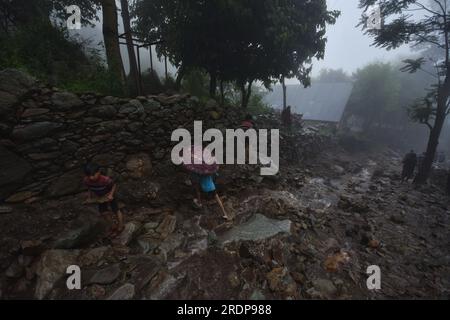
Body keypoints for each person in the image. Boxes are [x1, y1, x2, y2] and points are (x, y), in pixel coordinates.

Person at [83, 163, 124, 236]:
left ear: (98, 172)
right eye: (89, 176)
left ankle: (121, 226)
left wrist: (111, 195)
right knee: (103, 212)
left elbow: (114, 185)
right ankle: (113, 226)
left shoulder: (105, 180)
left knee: (116, 210)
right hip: (100, 197)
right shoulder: (87, 180)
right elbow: (89, 188)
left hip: (110, 194)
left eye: (93, 175)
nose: (91, 177)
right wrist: (89, 197)